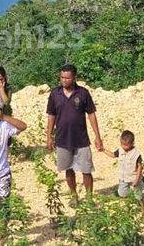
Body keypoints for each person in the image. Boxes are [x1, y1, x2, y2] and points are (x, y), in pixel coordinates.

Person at [45, 64, 104, 206]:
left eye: (67, 77)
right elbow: (51, 116)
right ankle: (74, 195)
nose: (64, 80)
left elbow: (91, 115)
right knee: (68, 170)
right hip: (62, 139)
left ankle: (89, 198)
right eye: (62, 77)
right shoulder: (55, 94)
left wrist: (97, 137)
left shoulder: (83, 93)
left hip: (81, 139)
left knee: (86, 170)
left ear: (74, 77)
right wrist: (49, 136)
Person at [107, 130, 144, 213]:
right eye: (122, 144)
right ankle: (128, 207)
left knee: (139, 195)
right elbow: (113, 155)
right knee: (122, 193)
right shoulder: (120, 150)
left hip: (134, 178)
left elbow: (139, 168)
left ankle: (143, 211)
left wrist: (136, 180)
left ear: (132, 143)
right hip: (123, 178)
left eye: (125, 145)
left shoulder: (136, 154)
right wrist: (103, 150)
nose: (123, 146)